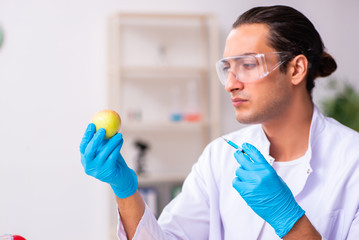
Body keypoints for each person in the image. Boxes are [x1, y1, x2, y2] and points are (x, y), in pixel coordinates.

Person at [80, 5, 359, 240]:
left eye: (247, 65)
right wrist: (125, 190)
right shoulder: (220, 156)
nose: (230, 84)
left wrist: (290, 220)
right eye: (227, 69)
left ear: (296, 69)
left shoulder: (352, 161)